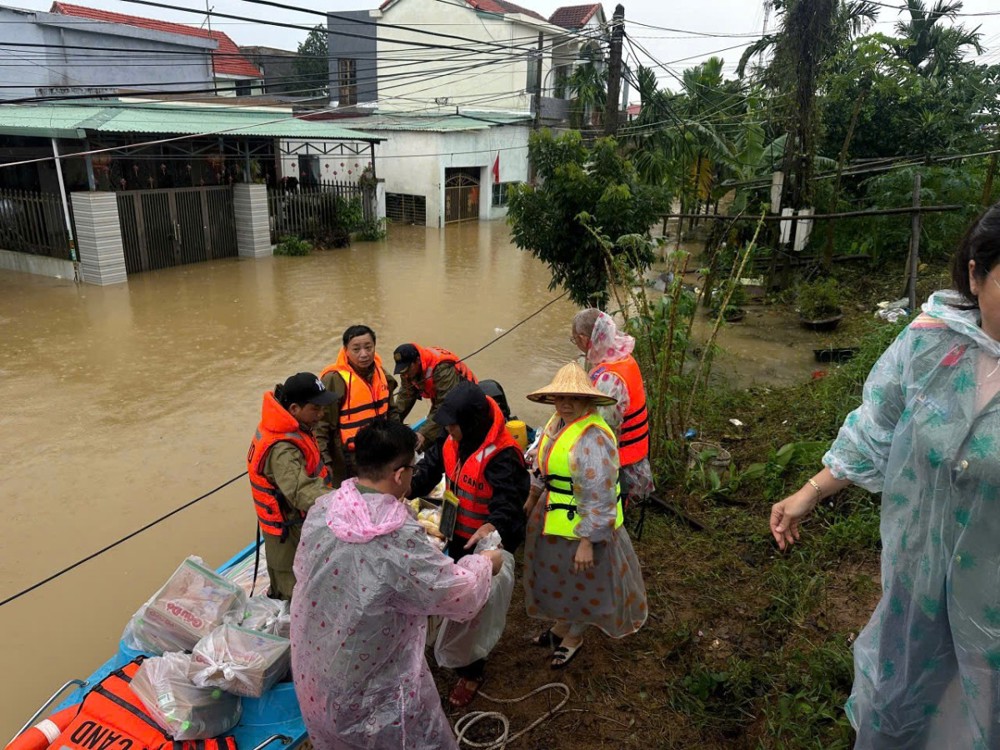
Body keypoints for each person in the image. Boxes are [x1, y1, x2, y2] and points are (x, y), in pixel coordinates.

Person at [769, 203, 1000, 749]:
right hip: (916, 582)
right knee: (904, 698)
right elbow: (877, 423)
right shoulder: (930, 344)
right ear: (975, 272)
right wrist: (810, 491)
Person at [290, 421, 505, 750]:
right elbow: (456, 594)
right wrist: (485, 562)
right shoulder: (396, 538)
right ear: (399, 474)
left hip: (319, 672)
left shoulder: (323, 509)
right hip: (374, 685)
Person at [408, 381, 530, 706]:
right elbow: (426, 472)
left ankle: (473, 671)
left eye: (453, 423)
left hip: (489, 542)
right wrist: (397, 488)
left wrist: (493, 526)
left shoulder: (504, 455)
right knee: (459, 593)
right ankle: (452, 643)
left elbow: (510, 500)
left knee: (477, 606)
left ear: (472, 421)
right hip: (460, 532)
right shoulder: (452, 440)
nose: (447, 428)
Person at [522, 362, 648, 669]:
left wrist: (588, 541)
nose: (565, 404)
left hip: (586, 526)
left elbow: (601, 493)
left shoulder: (594, 437)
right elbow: (545, 467)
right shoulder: (557, 424)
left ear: (588, 401)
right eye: (559, 398)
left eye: (573, 399)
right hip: (555, 515)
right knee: (562, 576)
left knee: (585, 581)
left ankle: (574, 636)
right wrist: (532, 497)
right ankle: (562, 625)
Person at [246, 372, 336, 601]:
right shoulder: (282, 450)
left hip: (299, 523)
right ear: (294, 408)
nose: (321, 414)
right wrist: (344, 502)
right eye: (315, 408)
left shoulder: (292, 426)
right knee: (295, 593)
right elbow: (301, 491)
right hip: (288, 534)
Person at [570, 309, 655, 507]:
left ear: (583, 339)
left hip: (623, 463)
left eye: (574, 340)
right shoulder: (622, 357)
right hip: (635, 452)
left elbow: (602, 432)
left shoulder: (610, 379)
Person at [316, 325, 398, 486]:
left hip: (381, 450)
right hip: (349, 458)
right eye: (356, 349)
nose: (364, 354)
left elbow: (392, 411)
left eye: (368, 348)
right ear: (346, 350)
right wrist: (325, 462)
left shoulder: (382, 374)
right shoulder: (334, 379)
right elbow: (321, 425)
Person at [391, 343, 478, 449]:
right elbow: (405, 397)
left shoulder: (442, 369)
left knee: (440, 438)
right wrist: (392, 425)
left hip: (464, 402)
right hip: (440, 399)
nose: (405, 375)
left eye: (406, 370)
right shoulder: (408, 372)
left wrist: (424, 433)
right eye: (401, 372)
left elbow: (444, 405)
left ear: (417, 361)